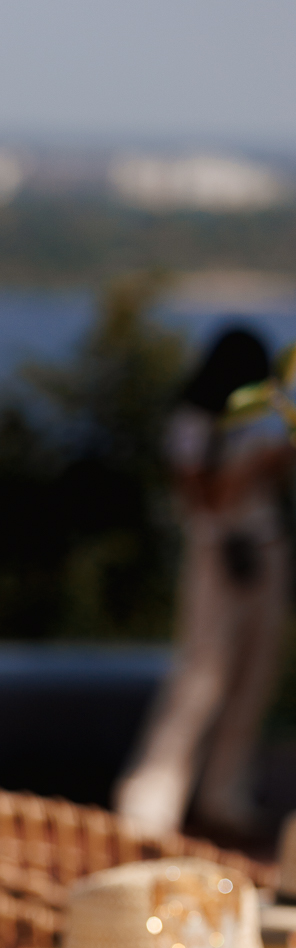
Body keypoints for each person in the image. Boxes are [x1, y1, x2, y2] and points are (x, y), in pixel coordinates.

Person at [114, 325, 293, 837]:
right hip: (217, 554)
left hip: (265, 550)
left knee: (254, 676)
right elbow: (204, 496)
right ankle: (151, 798)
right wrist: (252, 466)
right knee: (201, 677)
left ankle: (226, 794)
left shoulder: (262, 419)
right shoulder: (194, 423)